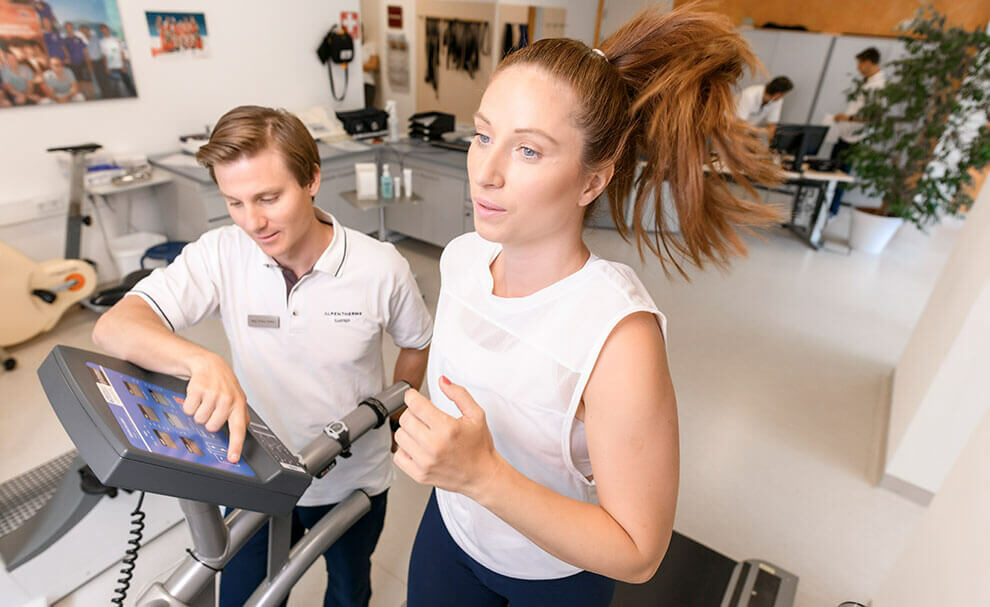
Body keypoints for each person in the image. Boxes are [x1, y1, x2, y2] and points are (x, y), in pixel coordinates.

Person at [393, 6, 780, 607]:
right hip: (452, 533)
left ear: (591, 181)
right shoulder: (463, 258)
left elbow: (639, 551)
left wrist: (482, 475)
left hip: (555, 577)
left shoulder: (618, 336)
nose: (486, 173)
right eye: (483, 135)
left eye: (528, 151)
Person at [91, 106, 434, 607]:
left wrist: (396, 416)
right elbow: (113, 326)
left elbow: (417, 341)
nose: (253, 222)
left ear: (312, 178)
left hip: (352, 476)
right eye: (236, 202)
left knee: (348, 590)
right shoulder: (222, 253)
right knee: (244, 597)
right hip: (256, 473)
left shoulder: (379, 267)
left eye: (269, 198)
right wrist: (201, 362)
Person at [829, 47, 885, 217]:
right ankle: (826, 208)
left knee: (840, 175)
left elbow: (872, 116)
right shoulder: (868, 82)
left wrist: (847, 118)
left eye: (860, 64)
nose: (858, 68)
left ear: (868, 62)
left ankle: (831, 210)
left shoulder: (877, 86)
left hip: (855, 138)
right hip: (847, 134)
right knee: (832, 172)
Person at [736, 75, 793, 139]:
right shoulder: (749, 94)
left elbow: (771, 125)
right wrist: (758, 131)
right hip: (729, 127)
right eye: (783, 94)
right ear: (778, 93)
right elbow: (739, 123)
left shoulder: (777, 101)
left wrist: (771, 146)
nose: (782, 97)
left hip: (746, 131)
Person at [98, 24, 136, 97]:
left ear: (108, 29)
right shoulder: (102, 42)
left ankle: (133, 95)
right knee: (115, 86)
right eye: (102, 30)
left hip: (121, 65)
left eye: (105, 29)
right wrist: (106, 67)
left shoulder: (117, 40)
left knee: (128, 83)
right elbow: (104, 56)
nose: (104, 31)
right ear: (101, 31)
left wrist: (124, 65)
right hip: (111, 67)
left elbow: (122, 52)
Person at [61, 23, 93, 98]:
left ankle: (92, 98)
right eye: (67, 28)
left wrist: (89, 63)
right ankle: (85, 98)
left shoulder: (79, 39)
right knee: (79, 82)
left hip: (83, 63)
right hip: (73, 65)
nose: (69, 29)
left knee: (88, 81)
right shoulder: (65, 40)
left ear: (72, 28)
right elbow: (64, 51)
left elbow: (85, 51)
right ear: (65, 29)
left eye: (70, 27)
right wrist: (67, 58)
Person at [79, 25, 110, 98]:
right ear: (81, 32)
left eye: (85, 29)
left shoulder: (95, 38)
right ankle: (105, 96)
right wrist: (89, 65)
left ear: (88, 30)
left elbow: (103, 50)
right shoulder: (82, 41)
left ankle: (110, 95)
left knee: (105, 79)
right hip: (93, 63)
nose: (84, 32)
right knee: (98, 80)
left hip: (100, 61)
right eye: (82, 31)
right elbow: (86, 54)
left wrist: (105, 63)